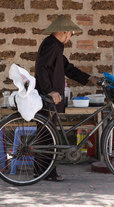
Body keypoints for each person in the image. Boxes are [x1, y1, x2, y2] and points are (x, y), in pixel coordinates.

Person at [35, 14, 100, 182]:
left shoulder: (55, 46)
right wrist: (49, 91)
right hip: (48, 98)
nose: (70, 38)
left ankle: (41, 172)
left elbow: (67, 68)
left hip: (51, 98)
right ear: (65, 31)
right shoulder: (51, 44)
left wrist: (89, 78)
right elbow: (42, 68)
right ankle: (47, 173)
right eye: (71, 34)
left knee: (47, 134)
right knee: (48, 135)